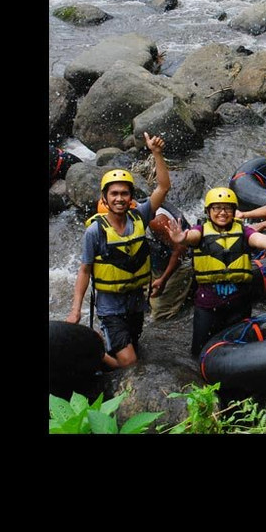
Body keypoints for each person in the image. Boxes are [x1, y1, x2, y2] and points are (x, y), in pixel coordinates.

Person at [66, 132, 171, 369]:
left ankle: (106, 347)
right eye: (114, 194)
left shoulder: (140, 217)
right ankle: (94, 352)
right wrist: (75, 311)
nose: (120, 198)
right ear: (105, 197)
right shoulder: (95, 231)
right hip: (110, 306)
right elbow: (85, 270)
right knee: (130, 362)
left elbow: (163, 187)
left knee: (134, 347)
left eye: (124, 193)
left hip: (136, 302)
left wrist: (157, 153)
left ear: (131, 197)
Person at [164, 187, 266, 359]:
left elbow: (259, 239)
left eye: (227, 208)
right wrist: (183, 238)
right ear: (208, 211)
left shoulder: (244, 231)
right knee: (199, 352)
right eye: (217, 208)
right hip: (208, 305)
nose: (222, 213)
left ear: (234, 211)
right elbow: (192, 237)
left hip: (238, 303)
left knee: (239, 349)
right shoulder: (200, 231)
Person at [147, 205, 194, 321]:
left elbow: (180, 249)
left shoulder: (156, 221)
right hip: (157, 260)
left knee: (159, 313)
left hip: (181, 260)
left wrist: (163, 279)